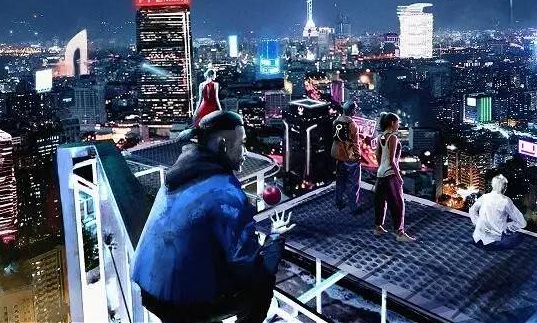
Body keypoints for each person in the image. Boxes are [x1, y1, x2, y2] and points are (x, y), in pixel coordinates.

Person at [131, 111, 296, 323]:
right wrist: (275, 240)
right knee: (261, 282)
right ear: (223, 145)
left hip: (149, 288)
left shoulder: (178, 175)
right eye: (242, 144)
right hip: (182, 302)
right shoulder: (225, 192)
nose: (245, 152)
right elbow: (247, 264)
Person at [374, 112, 415, 242]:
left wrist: (381, 167)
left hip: (381, 174)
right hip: (390, 175)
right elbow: (392, 160)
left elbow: (377, 155)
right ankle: (400, 233)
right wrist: (399, 177)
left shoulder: (381, 136)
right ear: (392, 123)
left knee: (380, 202)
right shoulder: (393, 137)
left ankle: (378, 228)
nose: (398, 125)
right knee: (398, 204)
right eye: (397, 123)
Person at [468, 174, 527, 250]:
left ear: (493, 185)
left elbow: (472, 210)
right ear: (504, 187)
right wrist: (506, 227)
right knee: (519, 237)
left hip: (477, 240)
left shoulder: (485, 197)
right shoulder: (505, 201)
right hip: (493, 243)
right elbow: (522, 223)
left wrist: (478, 223)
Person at [331, 101, 363, 212]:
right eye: (355, 109)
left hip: (339, 156)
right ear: (352, 110)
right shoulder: (353, 125)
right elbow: (355, 144)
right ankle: (354, 207)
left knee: (340, 181)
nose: (356, 111)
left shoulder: (336, 121)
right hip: (350, 158)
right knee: (354, 183)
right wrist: (358, 157)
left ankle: (339, 202)